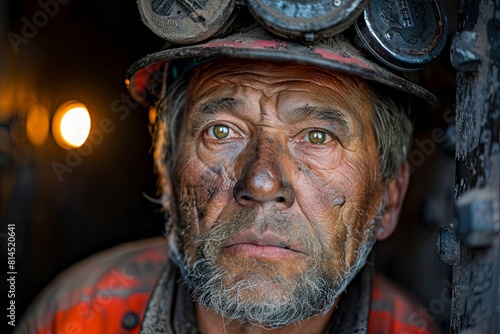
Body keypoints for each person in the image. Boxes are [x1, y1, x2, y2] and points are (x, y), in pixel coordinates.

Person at [16, 6, 444, 334]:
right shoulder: (80, 314)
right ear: (165, 173)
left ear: (388, 196)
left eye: (317, 137)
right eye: (221, 131)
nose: (260, 181)